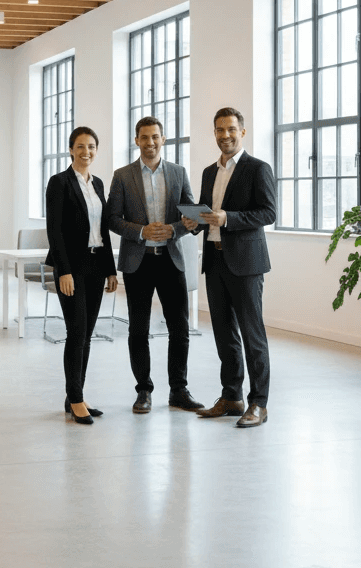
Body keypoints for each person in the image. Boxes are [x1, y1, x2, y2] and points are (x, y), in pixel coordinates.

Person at [181, 107, 276, 428]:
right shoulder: (210, 172)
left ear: (242, 132)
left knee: (252, 335)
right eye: (220, 130)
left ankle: (259, 403)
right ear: (215, 133)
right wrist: (193, 222)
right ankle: (232, 396)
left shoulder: (258, 168)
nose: (225, 135)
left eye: (231, 130)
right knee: (224, 335)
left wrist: (229, 218)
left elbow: (267, 213)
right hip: (215, 260)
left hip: (247, 264)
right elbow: (208, 216)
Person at [108, 116, 204, 414]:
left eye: (155, 137)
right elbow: (111, 219)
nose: (150, 142)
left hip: (171, 260)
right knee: (138, 329)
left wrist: (175, 229)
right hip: (138, 263)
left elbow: (194, 216)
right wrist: (140, 231)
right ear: (136, 140)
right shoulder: (122, 176)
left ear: (163, 139)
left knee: (180, 329)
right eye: (144, 137)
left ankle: (179, 390)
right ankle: (144, 391)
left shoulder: (178, 173)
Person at [45, 126, 118, 425]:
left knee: (86, 334)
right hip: (72, 269)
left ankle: (76, 394)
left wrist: (111, 269)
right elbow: (55, 230)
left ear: (96, 150)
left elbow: (103, 229)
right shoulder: (59, 182)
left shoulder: (98, 184)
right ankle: (75, 399)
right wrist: (64, 271)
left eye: (90, 146)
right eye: (80, 146)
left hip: (97, 266)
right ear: (70, 149)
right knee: (76, 333)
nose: (85, 151)